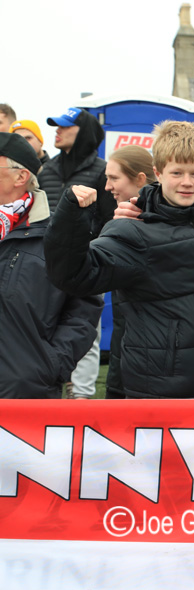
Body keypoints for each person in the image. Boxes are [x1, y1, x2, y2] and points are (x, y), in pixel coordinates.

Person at [44, 121, 194, 399]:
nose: (187, 183)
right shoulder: (132, 229)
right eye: (177, 172)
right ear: (158, 172)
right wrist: (71, 217)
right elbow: (73, 276)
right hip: (154, 391)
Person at [0, 132, 102, 398]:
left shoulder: (58, 234)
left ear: (21, 177)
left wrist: (50, 364)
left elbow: (84, 308)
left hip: (25, 390)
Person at [40, 107, 116, 399]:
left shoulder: (101, 170)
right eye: (56, 127)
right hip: (44, 263)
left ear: (82, 131)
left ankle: (81, 397)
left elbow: (110, 220)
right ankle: (52, 390)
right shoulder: (47, 169)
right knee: (45, 328)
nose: (57, 131)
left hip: (86, 263)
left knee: (86, 332)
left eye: (64, 127)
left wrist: (91, 249)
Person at [98, 145, 157, 399]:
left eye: (114, 178)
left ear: (140, 179)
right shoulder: (121, 221)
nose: (107, 187)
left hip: (153, 357)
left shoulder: (156, 225)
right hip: (125, 346)